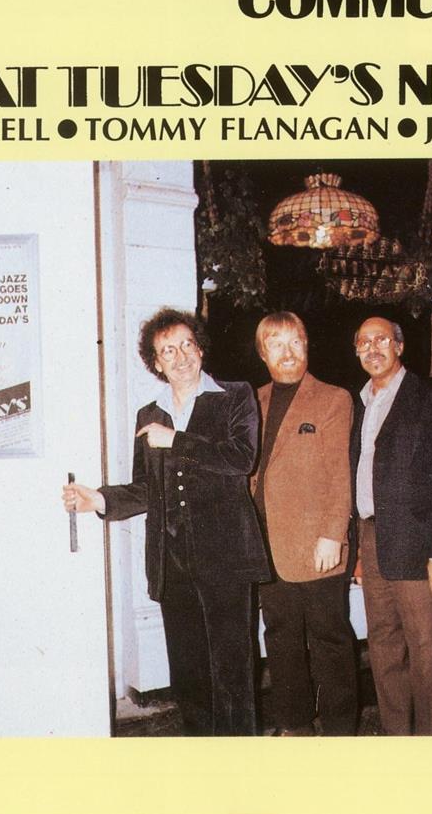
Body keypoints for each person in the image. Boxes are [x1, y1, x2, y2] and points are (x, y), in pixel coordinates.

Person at [62, 307, 270, 736]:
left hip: (226, 558)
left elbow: (241, 458)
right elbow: (146, 488)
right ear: (156, 363)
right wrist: (98, 499)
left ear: (200, 349)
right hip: (172, 561)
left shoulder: (235, 396)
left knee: (232, 670)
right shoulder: (149, 414)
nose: (180, 357)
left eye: (186, 345)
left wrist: (176, 440)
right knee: (188, 672)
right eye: (168, 351)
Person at [350, 316, 432, 735]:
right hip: (372, 539)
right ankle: (397, 740)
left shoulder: (430, 399)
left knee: (428, 652)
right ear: (356, 351)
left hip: (420, 546)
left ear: (399, 346)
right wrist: (358, 551)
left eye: (381, 339)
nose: (373, 348)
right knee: (383, 648)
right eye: (364, 342)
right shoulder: (359, 404)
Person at [251, 312, 358, 736]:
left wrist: (333, 533)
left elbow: (340, 473)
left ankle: (339, 731)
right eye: (276, 344)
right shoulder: (252, 401)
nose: (288, 352)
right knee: (280, 638)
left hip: (318, 545)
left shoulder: (333, 398)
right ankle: (294, 724)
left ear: (307, 346)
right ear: (263, 354)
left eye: (295, 342)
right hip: (265, 545)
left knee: (330, 640)